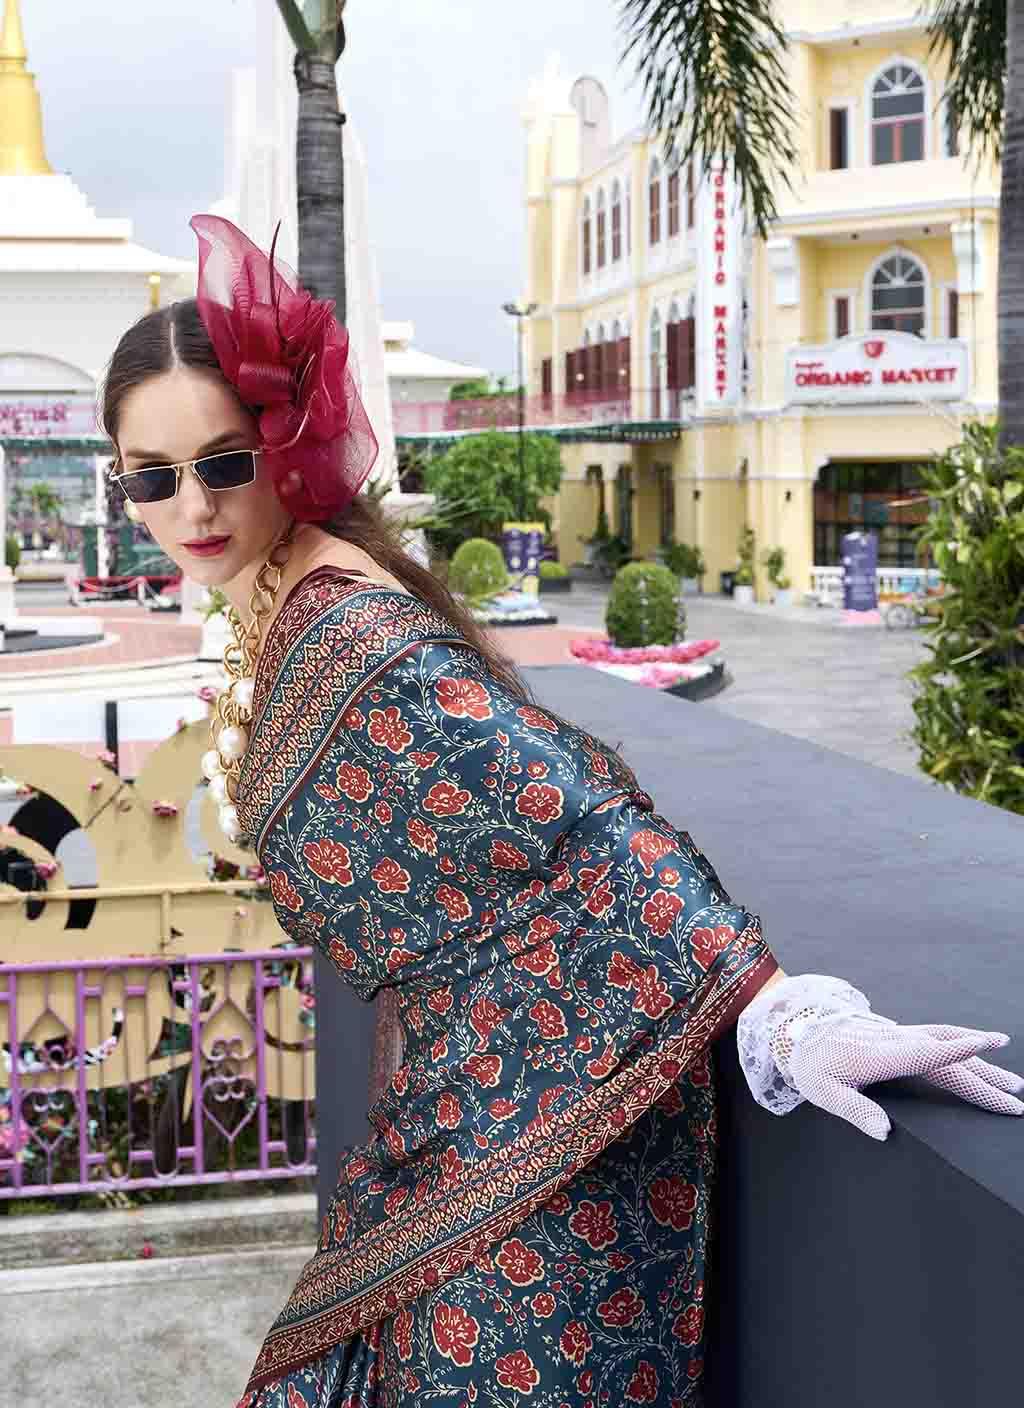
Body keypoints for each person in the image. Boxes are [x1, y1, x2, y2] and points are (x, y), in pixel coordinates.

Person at [102, 217, 1022, 1408]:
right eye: (152, 476)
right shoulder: (282, 593)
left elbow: (579, 822)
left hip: (543, 1160)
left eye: (223, 462)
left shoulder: (348, 629)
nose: (190, 505)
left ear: (285, 443)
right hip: (458, 1129)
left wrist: (787, 1017)